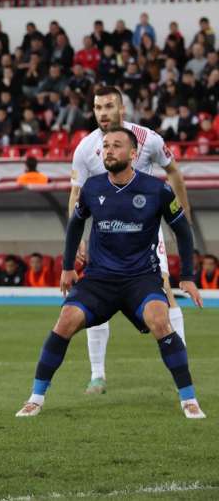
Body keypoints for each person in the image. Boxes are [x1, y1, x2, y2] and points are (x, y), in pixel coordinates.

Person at [16, 128, 204, 419]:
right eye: (105, 146)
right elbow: (76, 225)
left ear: (133, 154)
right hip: (100, 280)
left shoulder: (157, 189)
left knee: (159, 319)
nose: (109, 150)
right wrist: (68, 267)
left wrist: (188, 276)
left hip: (141, 278)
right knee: (65, 320)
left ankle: (189, 399)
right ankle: (35, 397)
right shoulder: (92, 187)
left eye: (117, 146)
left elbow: (182, 230)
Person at [70, 86, 192, 395]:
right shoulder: (85, 148)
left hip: (146, 232)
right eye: (98, 107)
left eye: (109, 106)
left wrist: (182, 217)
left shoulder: (149, 139)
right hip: (105, 235)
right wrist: (78, 237)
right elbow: (77, 193)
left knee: (165, 291)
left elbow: (174, 172)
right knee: (93, 297)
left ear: (122, 109)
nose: (103, 112)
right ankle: (97, 375)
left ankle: (182, 364)